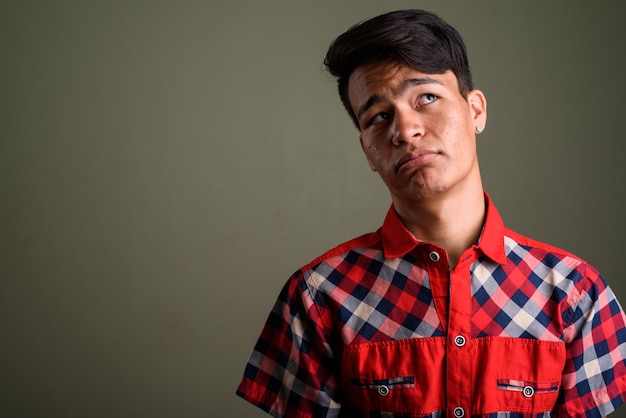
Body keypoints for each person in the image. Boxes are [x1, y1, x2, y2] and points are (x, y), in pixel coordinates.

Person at [236, 9, 626, 418]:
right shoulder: (318, 297)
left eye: (426, 98)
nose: (404, 130)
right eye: (378, 117)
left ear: (476, 110)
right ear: (367, 150)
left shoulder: (575, 293)